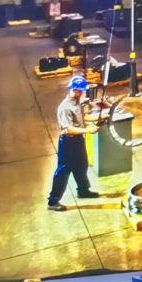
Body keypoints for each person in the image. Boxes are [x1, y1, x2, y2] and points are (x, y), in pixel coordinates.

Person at [48, 76, 99, 211]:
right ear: (74, 90)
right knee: (63, 172)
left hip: (78, 141)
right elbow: (68, 129)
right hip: (68, 143)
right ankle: (53, 201)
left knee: (81, 166)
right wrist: (88, 131)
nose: (82, 93)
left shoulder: (77, 103)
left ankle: (83, 190)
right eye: (80, 91)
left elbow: (82, 118)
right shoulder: (65, 108)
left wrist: (100, 117)